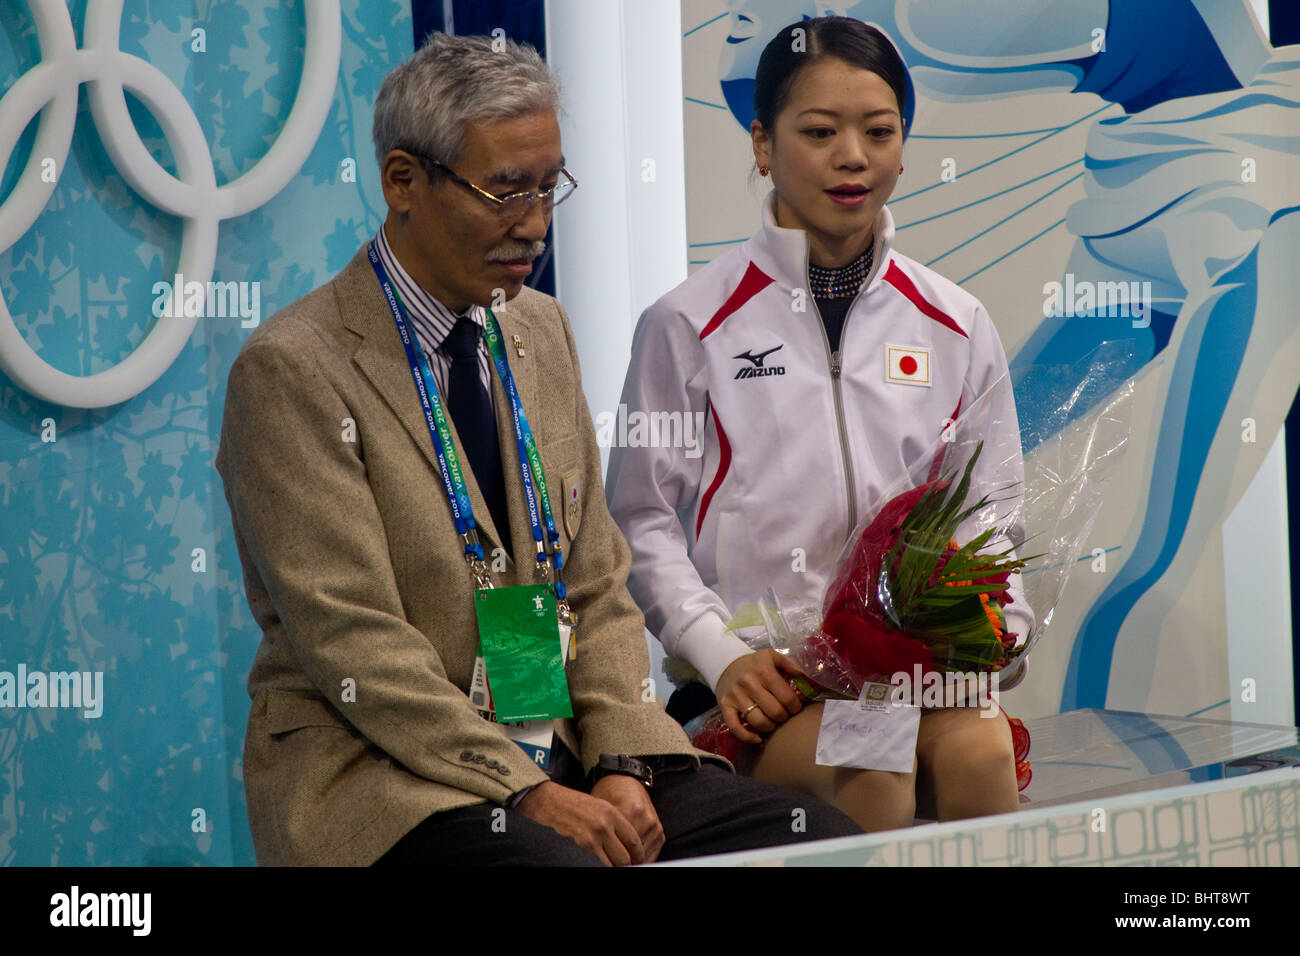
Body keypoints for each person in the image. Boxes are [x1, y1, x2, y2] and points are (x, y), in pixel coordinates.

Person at [215, 31, 860, 867]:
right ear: (403, 182)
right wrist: (526, 791)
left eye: (550, 188)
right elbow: (353, 645)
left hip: (558, 738)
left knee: (812, 844)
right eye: (506, 191)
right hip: (388, 772)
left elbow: (594, 582)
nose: (536, 225)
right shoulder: (294, 370)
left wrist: (623, 762)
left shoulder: (538, 329)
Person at [606, 17, 1030, 832]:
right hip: (765, 686)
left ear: (904, 148)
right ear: (762, 144)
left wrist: (997, 626)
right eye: (819, 131)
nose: (853, 157)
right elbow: (640, 523)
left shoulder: (954, 321)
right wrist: (722, 655)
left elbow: (992, 515)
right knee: (871, 758)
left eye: (879, 132)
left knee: (977, 753)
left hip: (916, 677)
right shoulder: (687, 324)